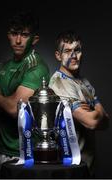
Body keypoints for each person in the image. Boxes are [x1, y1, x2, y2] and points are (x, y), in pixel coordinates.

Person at [0, 10, 50, 171]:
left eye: (24, 35)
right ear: (8, 35)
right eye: (14, 34)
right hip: (3, 151)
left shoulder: (36, 66)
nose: (18, 40)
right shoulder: (2, 67)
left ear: (35, 39)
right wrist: (7, 100)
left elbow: (14, 108)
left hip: (29, 152)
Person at [49, 30, 109, 177]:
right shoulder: (59, 83)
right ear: (58, 55)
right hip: (69, 168)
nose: (73, 56)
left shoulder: (84, 82)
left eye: (77, 50)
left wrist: (95, 111)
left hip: (88, 166)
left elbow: (106, 122)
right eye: (67, 51)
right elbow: (92, 122)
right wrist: (95, 108)